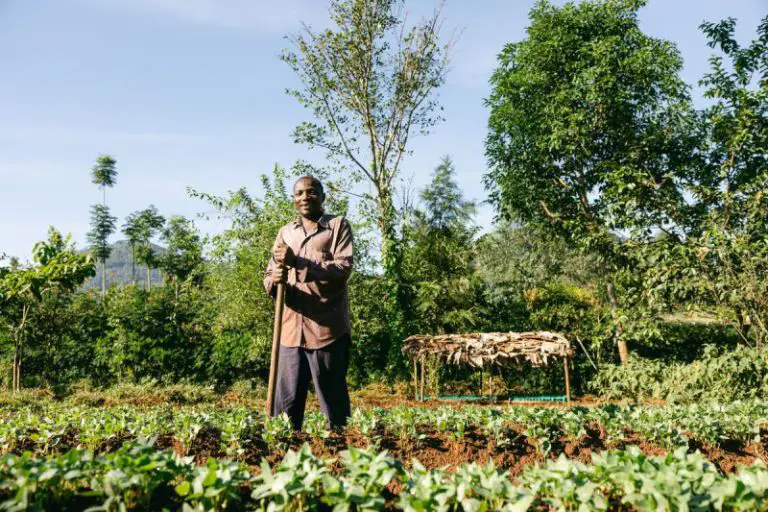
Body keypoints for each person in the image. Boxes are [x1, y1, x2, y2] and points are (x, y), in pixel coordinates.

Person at [263, 175, 353, 430]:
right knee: (285, 410)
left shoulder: (337, 226)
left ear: (322, 197)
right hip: (289, 331)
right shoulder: (286, 233)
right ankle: (283, 450)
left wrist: (299, 263)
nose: (305, 197)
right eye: (299, 193)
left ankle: (339, 449)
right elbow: (269, 274)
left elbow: (343, 268)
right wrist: (274, 280)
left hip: (326, 331)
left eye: (311, 192)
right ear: (294, 200)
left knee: (334, 406)